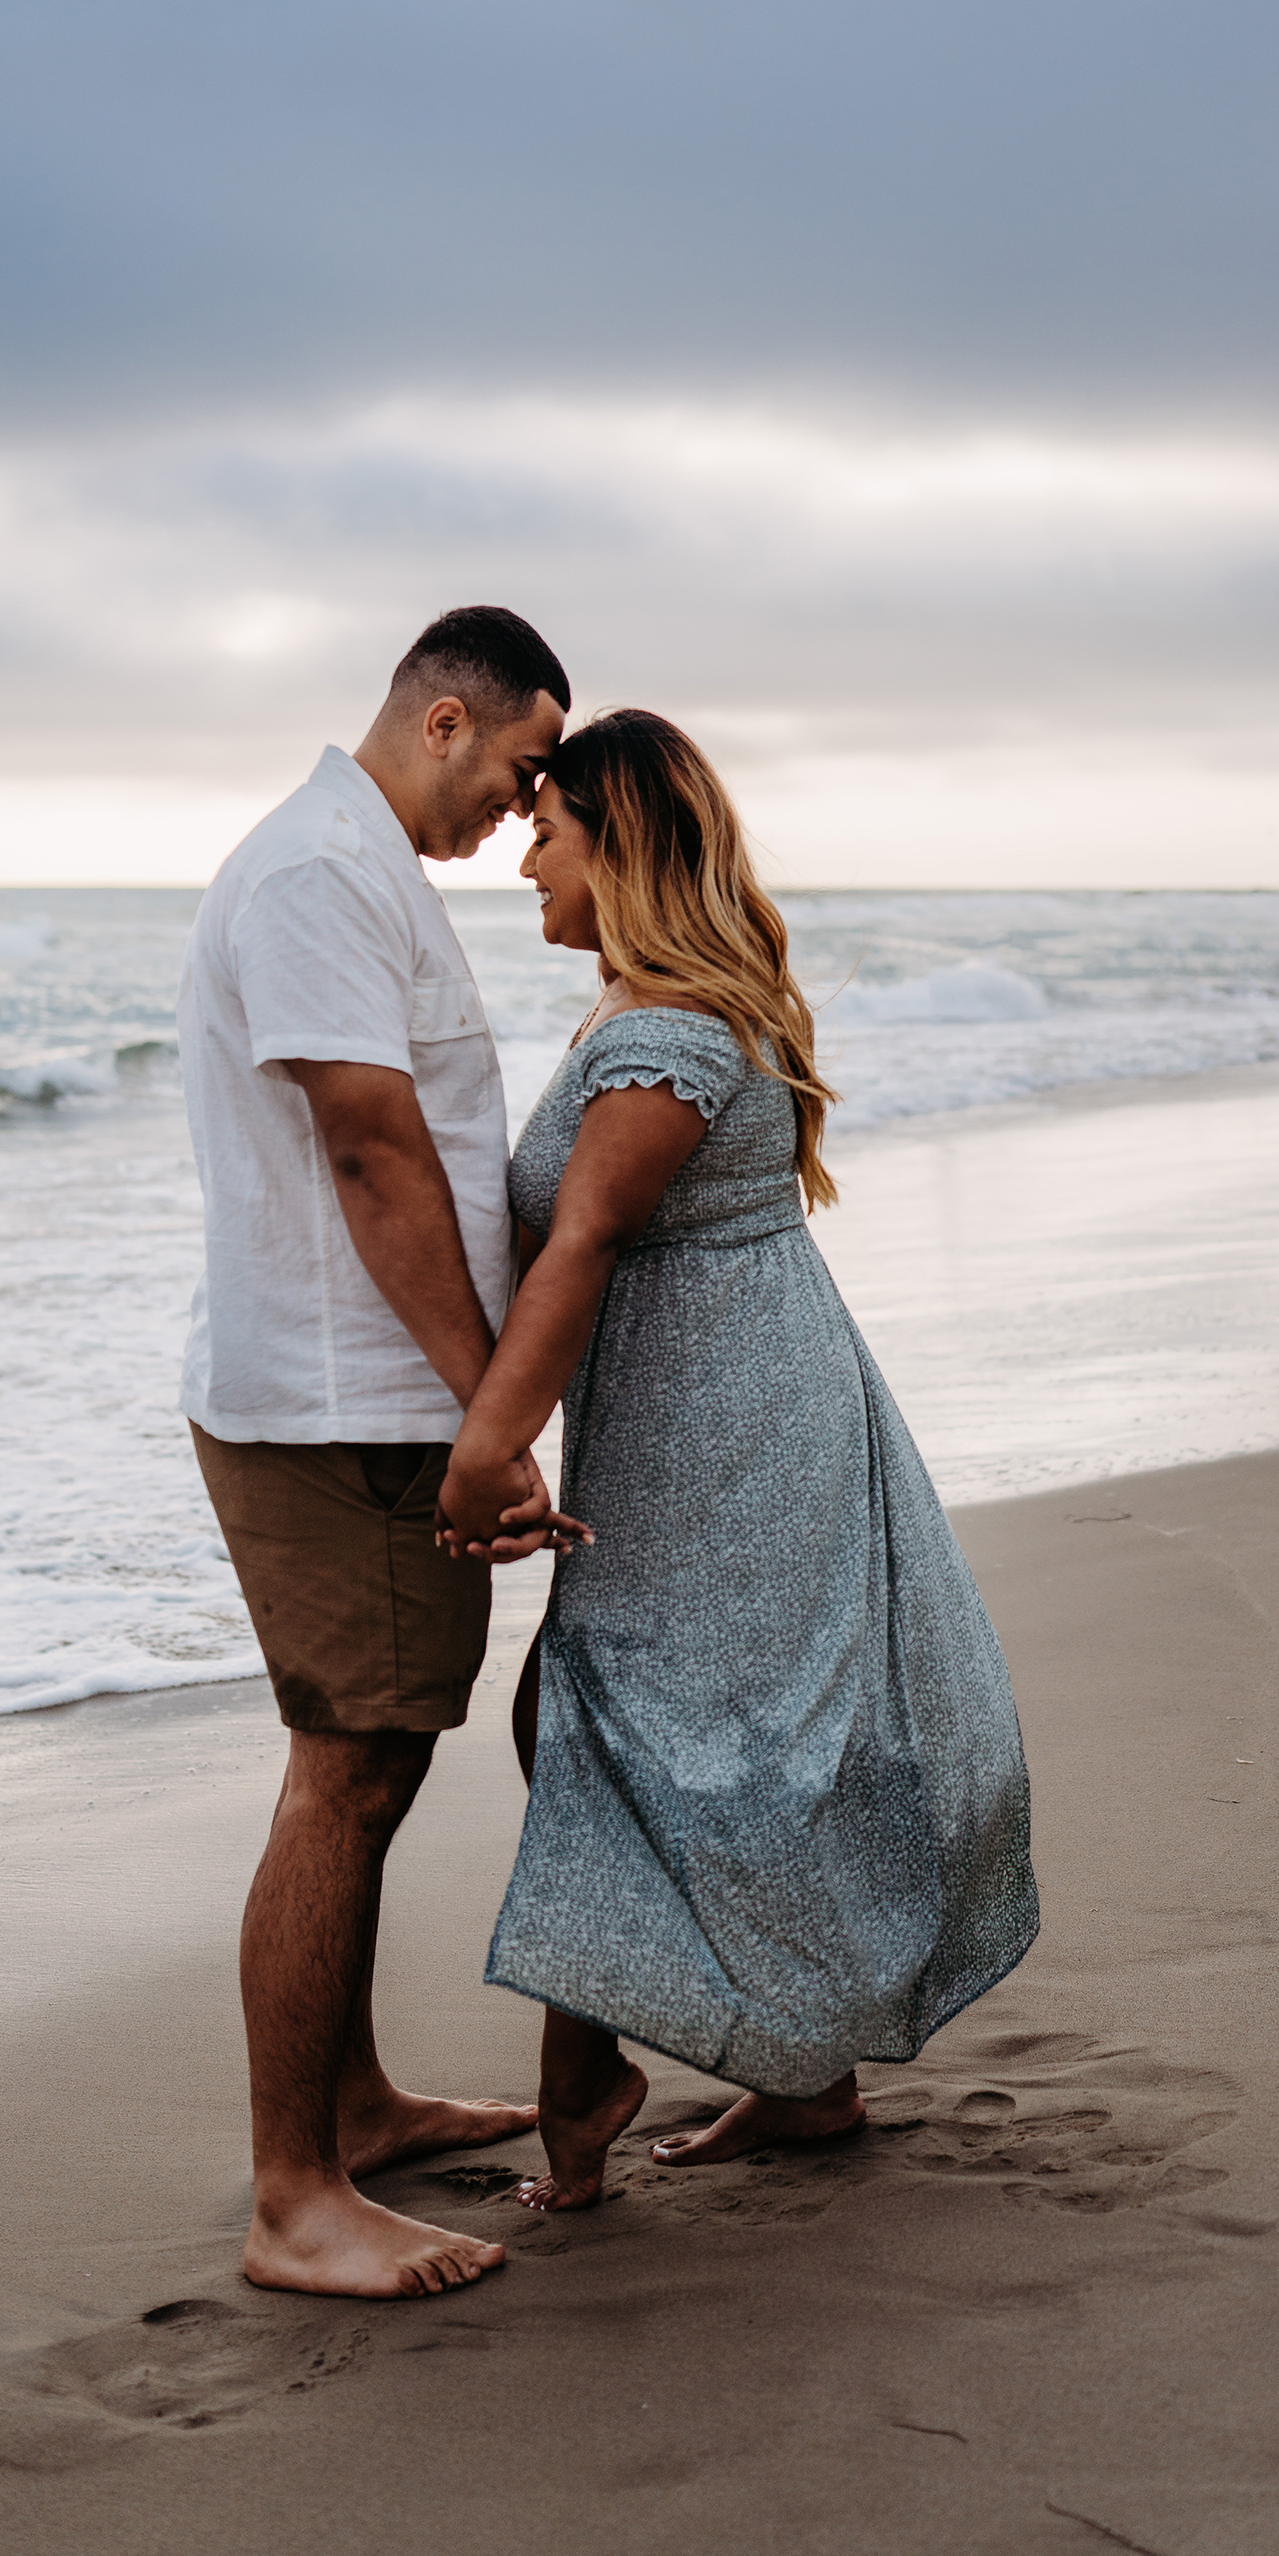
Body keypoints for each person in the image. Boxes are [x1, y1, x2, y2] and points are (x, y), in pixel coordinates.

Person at [436, 710, 1040, 2208]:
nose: (526, 856)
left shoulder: (664, 1036)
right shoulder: (658, 1011)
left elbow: (579, 1244)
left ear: (619, 842)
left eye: (550, 827)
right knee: (659, 1728)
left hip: (728, 1436)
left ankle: (588, 2093)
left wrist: (485, 1444)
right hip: (716, 1412)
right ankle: (800, 2080)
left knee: (617, 1724)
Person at [178, 605, 587, 2297]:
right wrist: (490, 1402)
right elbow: (368, 1149)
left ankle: (348, 2105)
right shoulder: (317, 876)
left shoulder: (360, 867)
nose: (521, 808)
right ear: (440, 719)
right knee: (343, 1774)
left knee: (384, 1757)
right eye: (518, 766)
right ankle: (295, 2198)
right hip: (346, 1407)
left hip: (374, 1400)